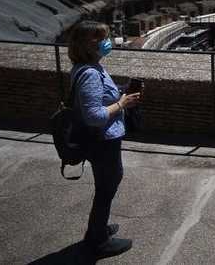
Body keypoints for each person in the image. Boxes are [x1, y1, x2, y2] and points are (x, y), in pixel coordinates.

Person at [68, 21, 141, 259]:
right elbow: (94, 116)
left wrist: (121, 90)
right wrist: (122, 104)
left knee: (106, 185)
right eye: (103, 38)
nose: (108, 41)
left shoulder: (88, 66)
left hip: (103, 140)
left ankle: (99, 228)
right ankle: (97, 241)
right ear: (89, 44)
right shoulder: (89, 73)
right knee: (106, 188)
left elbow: (100, 96)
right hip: (102, 141)